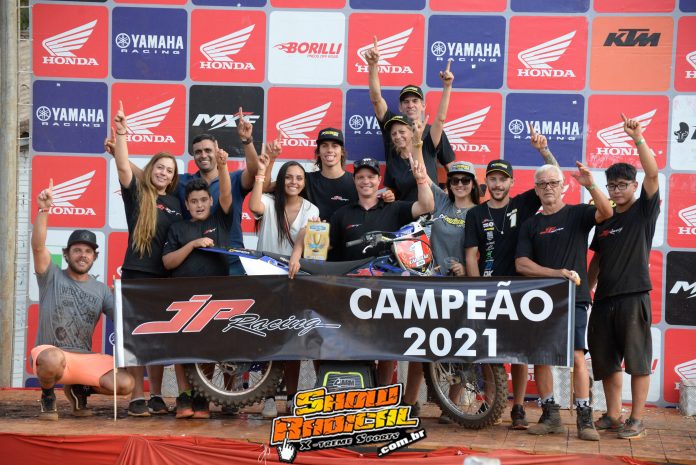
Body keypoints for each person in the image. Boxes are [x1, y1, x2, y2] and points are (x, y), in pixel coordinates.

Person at [329, 119, 434, 394]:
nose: (366, 181)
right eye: (361, 177)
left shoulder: (395, 208)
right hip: (351, 290)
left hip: (387, 289)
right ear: (354, 181)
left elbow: (427, 205)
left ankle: (382, 395)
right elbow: (330, 253)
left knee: (387, 346)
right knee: (355, 344)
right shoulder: (341, 215)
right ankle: (355, 393)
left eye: (371, 177)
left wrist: (421, 179)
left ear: (379, 180)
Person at [464, 126, 559, 430]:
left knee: (519, 351)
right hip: (487, 289)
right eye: (492, 178)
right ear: (486, 182)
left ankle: (518, 407)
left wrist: (543, 151)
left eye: (503, 179)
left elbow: (554, 176)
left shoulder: (523, 204)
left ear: (511, 182)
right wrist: (475, 288)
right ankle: (492, 402)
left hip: (520, 288)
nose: (497, 184)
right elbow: (471, 255)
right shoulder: (476, 214)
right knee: (487, 350)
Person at [515, 162, 613, 441]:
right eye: (542, 184)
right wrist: (557, 273)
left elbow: (606, 212)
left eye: (553, 183)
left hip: (574, 297)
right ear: (536, 190)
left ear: (563, 186)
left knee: (577, 357)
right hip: (541, 300)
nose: (548, 188)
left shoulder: (578, 214)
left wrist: (590, 184)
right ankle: (551, 416)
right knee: (541, 357)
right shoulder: (530, 224)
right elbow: (521, 264)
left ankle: (584, 418)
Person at [31, 180, 134, 420]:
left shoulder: (101, 290)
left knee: (126, 383)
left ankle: (81, 389)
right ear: (66, 254)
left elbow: (124, 320)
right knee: (52, 358)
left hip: (83, 359)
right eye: (77, 250)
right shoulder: (51, 275)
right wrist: (44, 209)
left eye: (88, 251)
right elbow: (38, 247)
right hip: (53, 355)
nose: (82, 255)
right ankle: (48, 395)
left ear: (94, 257)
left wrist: (124, 298)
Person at [587, 114, 660, 440]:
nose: (616, 191)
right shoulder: (604, 218)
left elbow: (653, 173)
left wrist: (638, 138)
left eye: (622, 185)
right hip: (604, 300)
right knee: (606, 362)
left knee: (638, 361)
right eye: (611, 186)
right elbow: (597, 261)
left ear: (634, 186)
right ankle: (614, 415)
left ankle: (637, 419)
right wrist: (586, 292)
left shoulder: (644, 210)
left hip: (634, 296)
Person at [112, 101, 182, 417]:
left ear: (173, 177)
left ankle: (156, 395)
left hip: (166, 277)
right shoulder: (138, 194)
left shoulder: (178, 203)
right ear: (151, 169)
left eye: (169, 170)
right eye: (159, 167)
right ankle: (136, 397)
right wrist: (122, 133)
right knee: (137, 336)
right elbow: (123, 166)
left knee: (159, 338)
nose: (163, 172)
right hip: (137, 273)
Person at [404, 160, 482, 423]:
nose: (459, 184)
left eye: (465, 180)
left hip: (462, 286)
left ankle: (452, 405)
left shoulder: (480, 212)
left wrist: (467, 267)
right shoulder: (441, 201)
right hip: (433, 283)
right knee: (421, 346)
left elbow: (487, 250)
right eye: (454, 180)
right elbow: (422, 173)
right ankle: (409, 402)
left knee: (461, 345)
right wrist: (416, 144)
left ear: (473, 184)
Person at [161, 144, 233, 420]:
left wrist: (223, 167)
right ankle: (184, 395)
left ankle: (203, 394)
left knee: (208, 348)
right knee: (182, 348)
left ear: (210, 201)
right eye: (194, 201)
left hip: (215, 296)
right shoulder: (177, 228)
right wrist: (193, 244)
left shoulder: (221, 221)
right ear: (187, 204)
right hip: (183, 295)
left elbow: (226, 194)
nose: (199, 205)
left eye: (204, 200)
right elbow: (168, 262)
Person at [249, 147, 319, 419]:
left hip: (295, 282)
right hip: (265, 281)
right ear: (281, 179)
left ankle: (291, 397)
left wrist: (300, 250)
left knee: (292, 343)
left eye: (299, 178)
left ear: (304, 182)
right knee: (268, 341)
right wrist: (262, 172)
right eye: (289, 177)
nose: (294, 182)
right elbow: (253, 206)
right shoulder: (268, 201)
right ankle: (267, 396)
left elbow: (312, 242)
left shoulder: (312, 209)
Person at [365, 37, 455, 200]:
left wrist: (454, 190)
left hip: (431, 206)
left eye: (415, 101)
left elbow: (451, 166)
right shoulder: (392, 124)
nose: (410, 105)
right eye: (406, 102)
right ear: (400, 107)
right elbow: (376, 99)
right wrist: (372, 66)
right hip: (403, 207)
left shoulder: (432, 134)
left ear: (423, 106)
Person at [176, 107, 260, 276]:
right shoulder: (183, 182)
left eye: (208, 150)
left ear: (217, 150)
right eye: (198, 152)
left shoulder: (234, 178)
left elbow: (254, 171)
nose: (203, 155)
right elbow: (151, 177)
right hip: (197, 263)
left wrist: (247, 140)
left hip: (232, 261)